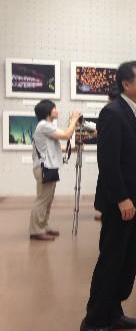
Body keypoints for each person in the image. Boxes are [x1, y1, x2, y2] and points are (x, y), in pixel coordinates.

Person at [81, 61, 136, 331]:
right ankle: (93, 321)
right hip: (121, 203)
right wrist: (121, 198)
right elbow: (108, 162)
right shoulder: (113, 113)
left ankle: (114, 313)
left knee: (127, 262)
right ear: (126, 84)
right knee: (111, 261)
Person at [30, 100, 80, 241]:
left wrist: (72, 148)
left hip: (49, 167)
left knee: (48, 200)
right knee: (42, 200)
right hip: (44, 168)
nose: (57, 111)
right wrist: (74, 120)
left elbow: (52, 147)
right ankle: (36, 230)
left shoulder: (47, 126)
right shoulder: (43, 125)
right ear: (47, 111)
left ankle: (44, 226)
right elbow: (66, 135)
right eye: (54, 108)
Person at [95, 86, 120, 222]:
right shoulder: (115, 111)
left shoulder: (109, 111)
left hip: (112, 159)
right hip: (113, 159)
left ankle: (106, 212)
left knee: (107, 185)